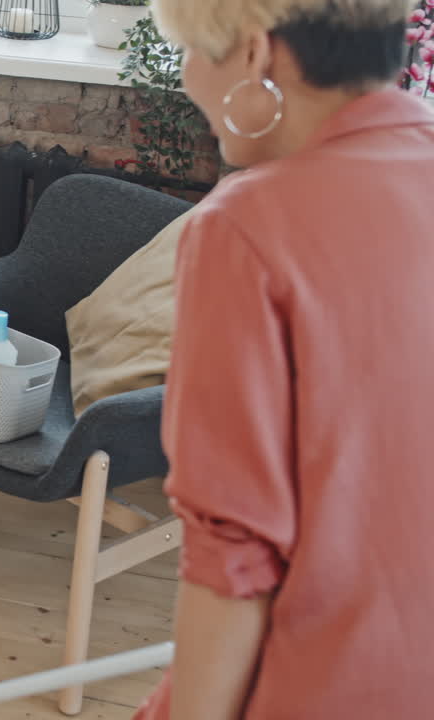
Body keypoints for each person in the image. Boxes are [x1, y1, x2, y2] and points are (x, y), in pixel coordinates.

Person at [133, 1, 434, 718]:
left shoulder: (244, 228)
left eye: (190, 51)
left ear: (257, 56)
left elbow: (232, 558)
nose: (185, 79)